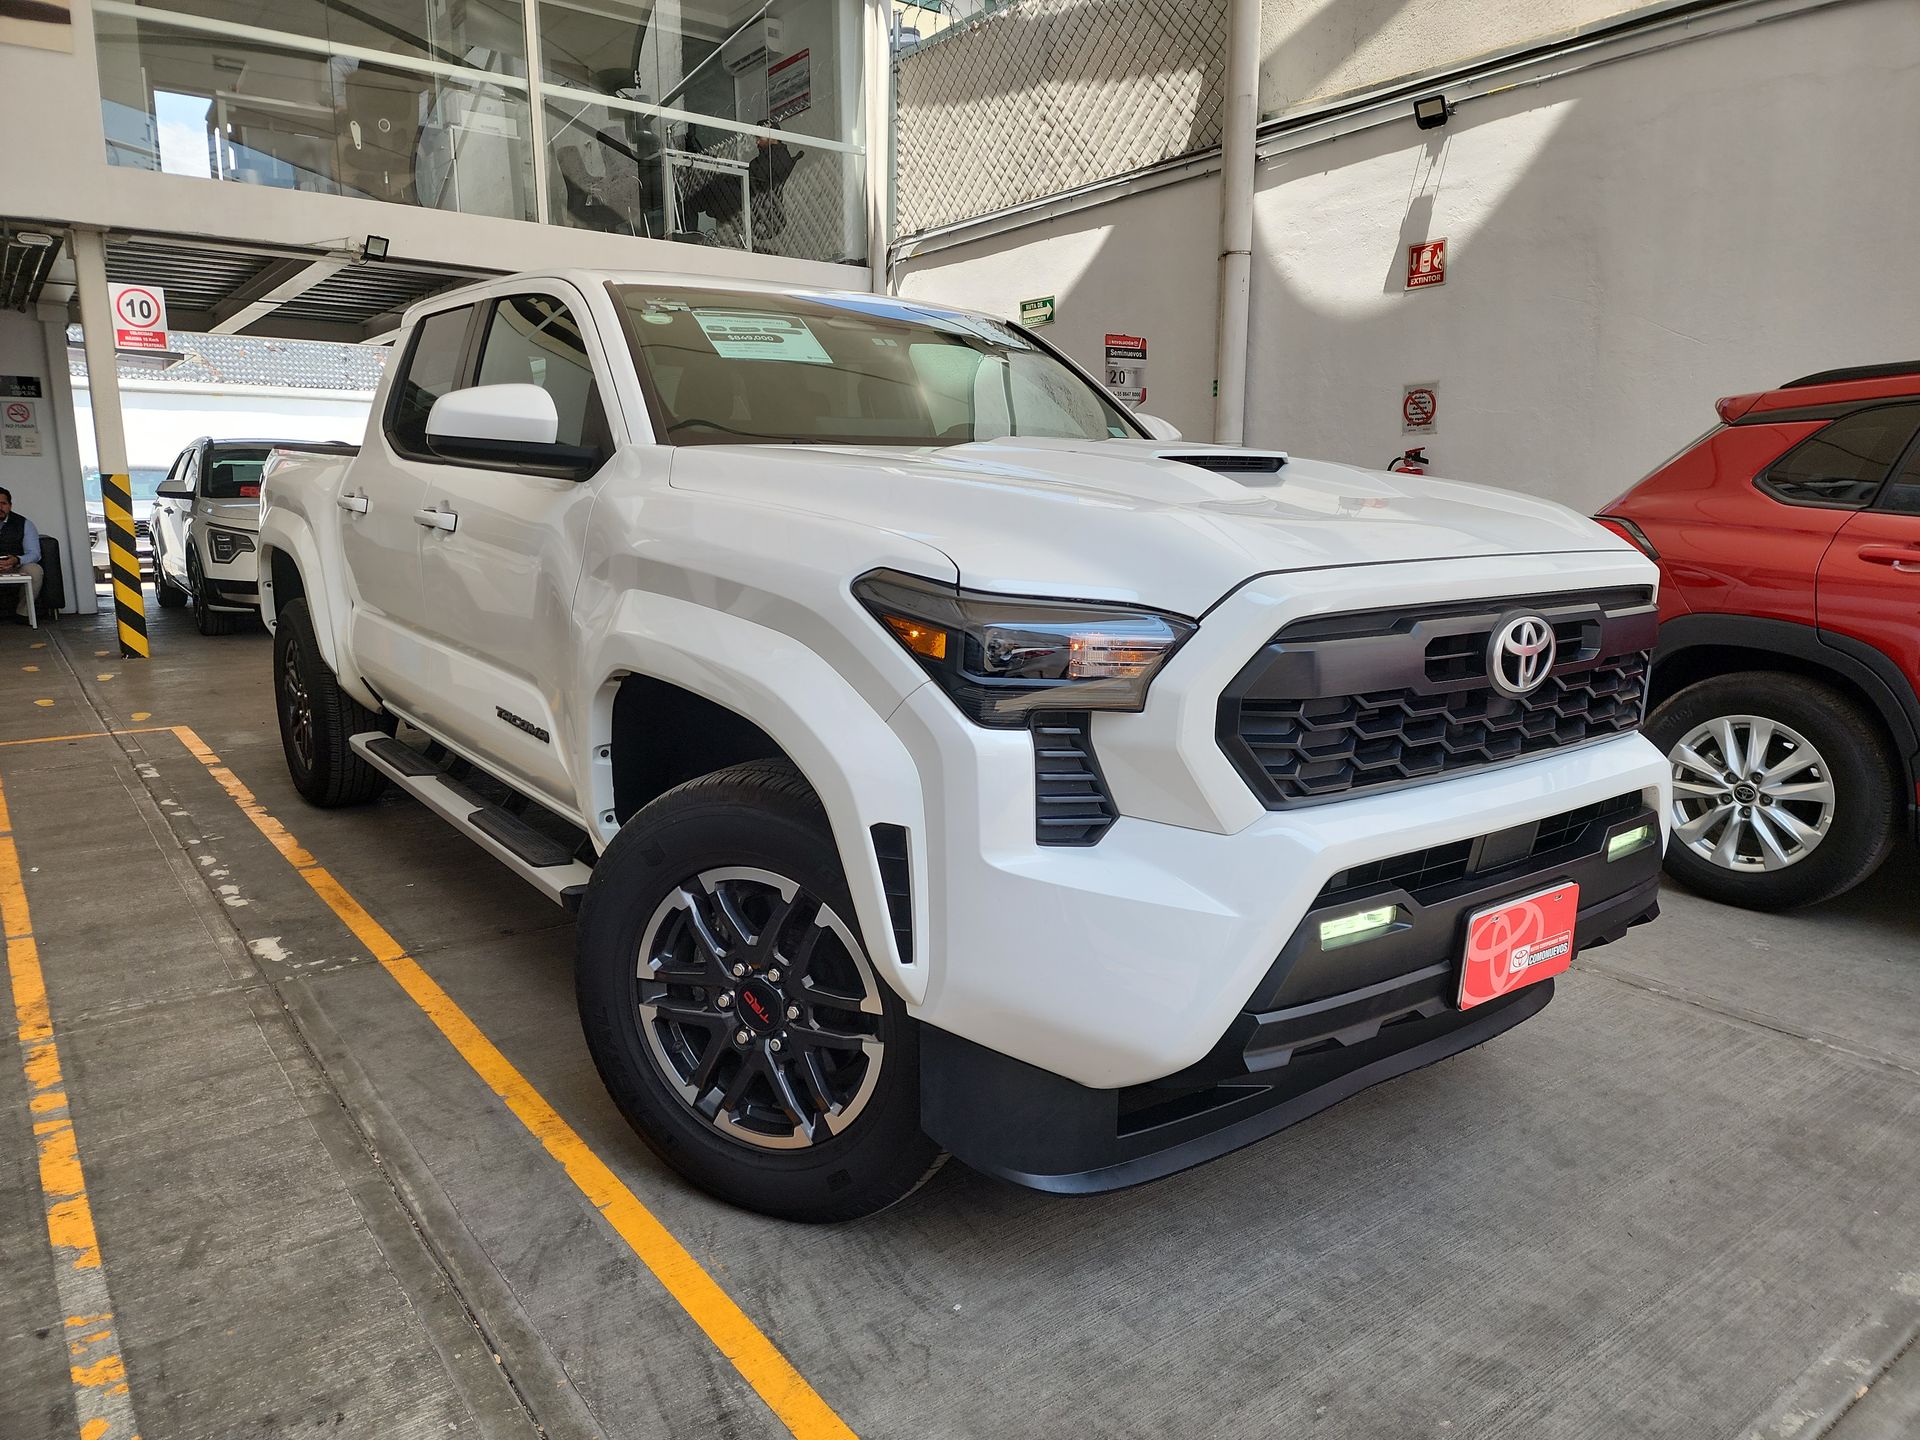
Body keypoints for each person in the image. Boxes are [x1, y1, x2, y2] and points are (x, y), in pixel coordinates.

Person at [0, 486, 44, 622]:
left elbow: (34, 553)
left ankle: (23, 613)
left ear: (10, 506)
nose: (0, 507)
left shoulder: (24, 524)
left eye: (3, 503)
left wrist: (16, 560)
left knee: (35, 570)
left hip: (15, 566)